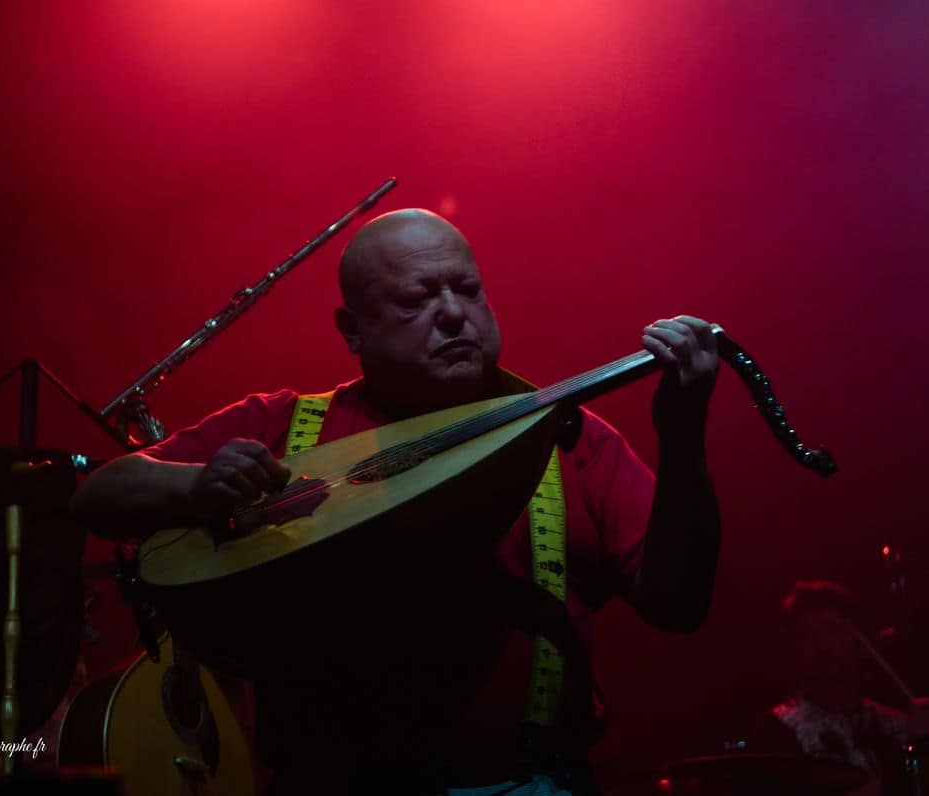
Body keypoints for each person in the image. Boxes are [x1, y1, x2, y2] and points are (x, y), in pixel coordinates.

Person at [72, 208, 723, 795]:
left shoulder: (571, 438)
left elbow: (678, 604)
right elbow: (98, 495)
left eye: (467, 289)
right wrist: (195, 484)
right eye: (415, 299)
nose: (452, 313)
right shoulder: (284, 424)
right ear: (353, 331)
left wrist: (684, 436)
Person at [751, 580, 929, 796]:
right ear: (793, 650)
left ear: (863, 645)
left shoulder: (897, 723)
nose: (822, 645)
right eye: (808, 634)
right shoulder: (777, 729)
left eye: (834, 630)